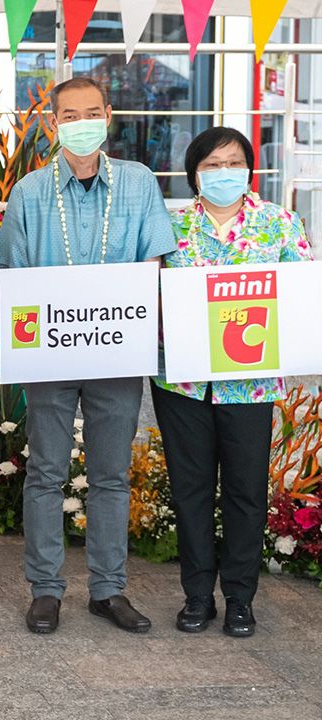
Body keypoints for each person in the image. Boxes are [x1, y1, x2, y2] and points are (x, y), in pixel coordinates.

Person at [0, 76, 175, 635]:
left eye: (91, 112)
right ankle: (45, 589)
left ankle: (108, 590)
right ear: (53, 123)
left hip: (117, 352)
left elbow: (154, 265)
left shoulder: (140, 184)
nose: (81, 122)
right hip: (49, 354)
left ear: (109, 115)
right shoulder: (27, 193)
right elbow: (13, 277)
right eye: (69, 114)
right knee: (46, 472)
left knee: (111, 475)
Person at [154, 127, 313, 637]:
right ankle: (197, 595)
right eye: (212, 165)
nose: (224, 173)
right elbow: (147, 297)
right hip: (182, 384)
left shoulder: (281, 225)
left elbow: (302, 299)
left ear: (250, 169)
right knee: (190, 490)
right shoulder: (169, 227)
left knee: (245, 491)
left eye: (234, 162)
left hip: (249, 385)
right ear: (193, 173)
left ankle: (241, 599)